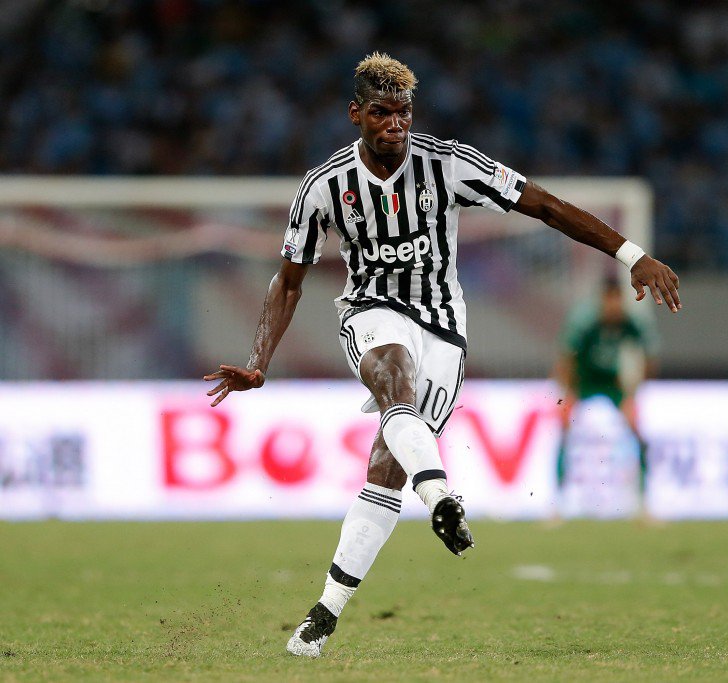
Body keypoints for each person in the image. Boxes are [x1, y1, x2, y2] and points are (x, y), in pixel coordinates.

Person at [203, 52, 680, 659]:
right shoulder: (324, 187)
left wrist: (632, 254)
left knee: (384, 469)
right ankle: (442, 498)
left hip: (445, 331)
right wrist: (259, 359)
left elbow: (543, 205)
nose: (395, 124)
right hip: (371, 311)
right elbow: (290, 280)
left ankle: (322, 616)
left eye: (403, 112)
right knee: (391, 377)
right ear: (356, 115)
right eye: (381, 113)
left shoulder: (447, 165)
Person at [553, 277, 658, 518]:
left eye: (617, 300)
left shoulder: (631, 322)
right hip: (583, 382)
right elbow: (567, 357)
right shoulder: (586, 322)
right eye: (609, 300)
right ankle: (557, 504)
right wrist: (566, 393)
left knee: (637, 432)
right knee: (563, 432)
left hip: (613, 383)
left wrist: (633, 392)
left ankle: (644, 503)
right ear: (603, 300)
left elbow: (650, 356)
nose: (614, 306)